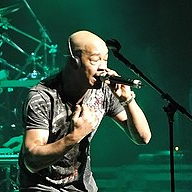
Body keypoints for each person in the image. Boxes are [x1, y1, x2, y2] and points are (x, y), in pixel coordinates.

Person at [18, 30, 151, 192]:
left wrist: (127, 100)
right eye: (95, 60)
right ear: (75, 62)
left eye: (105, 60)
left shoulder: (103, 92)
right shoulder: (42, 97)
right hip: (42, 188)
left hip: (82, 187)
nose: (103, 68)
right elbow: (31, 161)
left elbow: (143, 138)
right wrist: (74, 136)